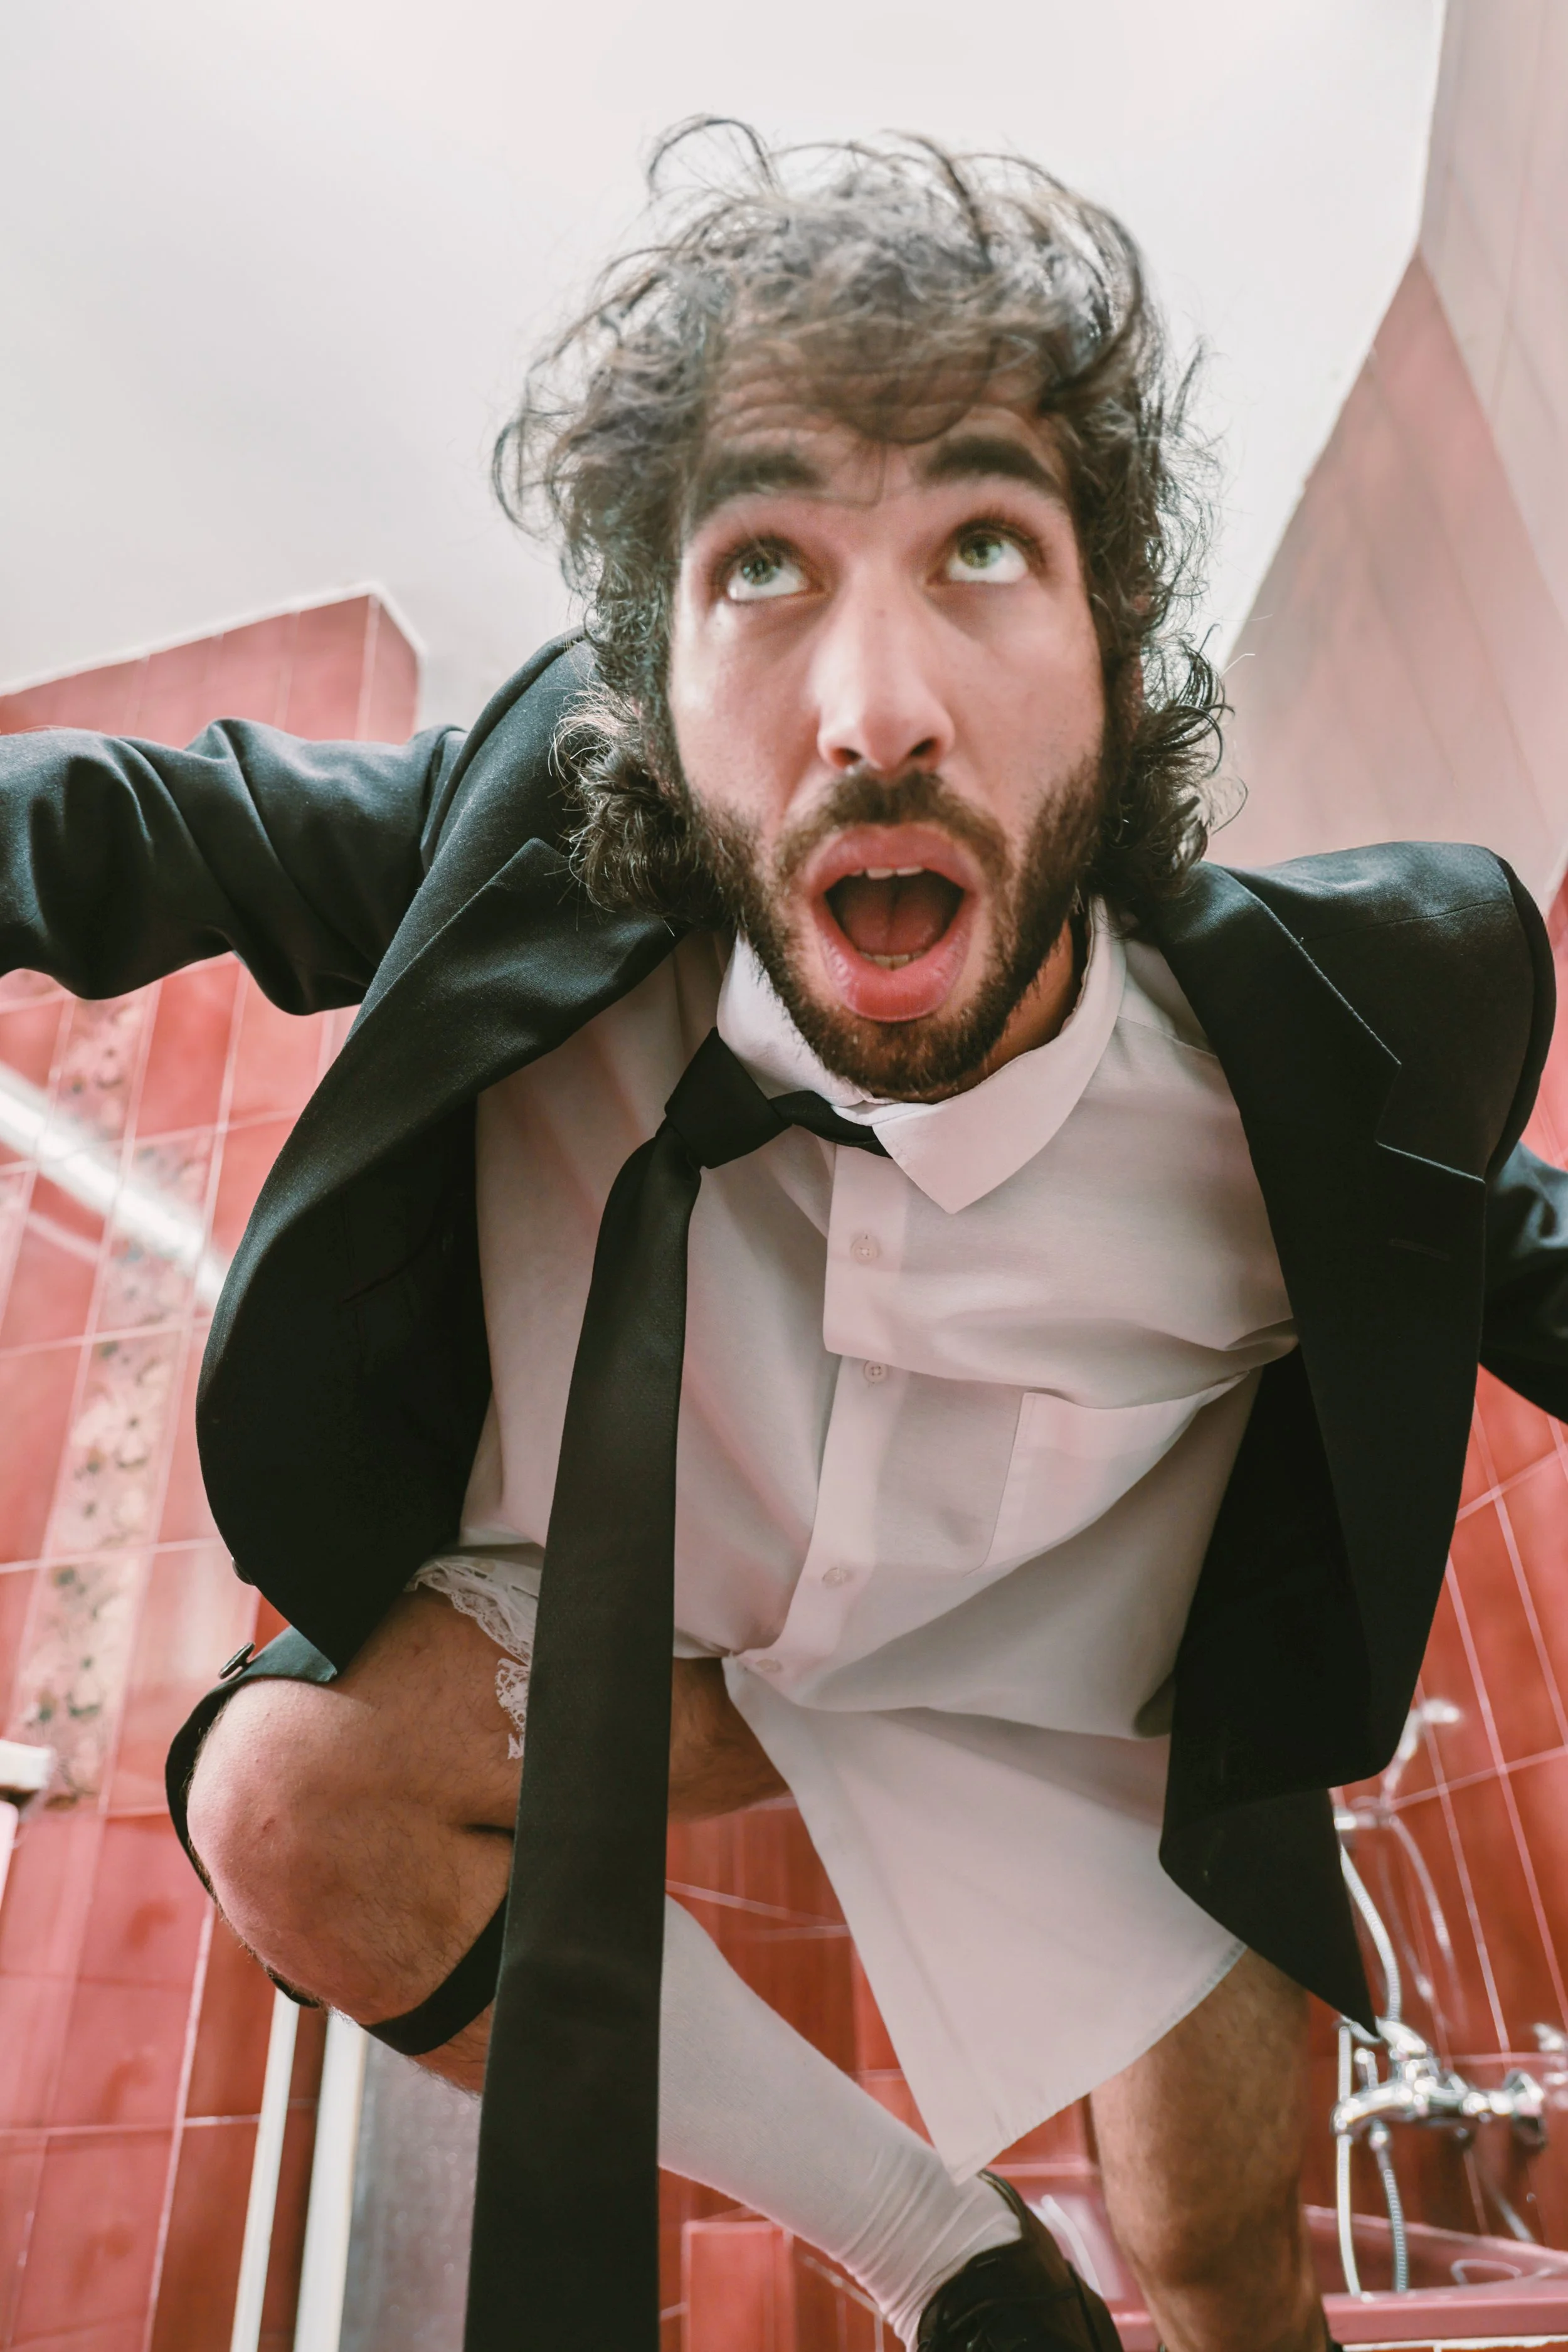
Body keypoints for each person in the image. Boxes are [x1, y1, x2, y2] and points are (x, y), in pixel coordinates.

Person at [5, 125, 1565, 2352]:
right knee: (287, 1797)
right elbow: (131, 824)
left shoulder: (1287, 1064)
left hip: (1098, 1700)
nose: (876, 709)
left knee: (1226, 2268)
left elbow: (1532, 1254)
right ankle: (945, 2263)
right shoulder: (522, 870)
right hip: (708, 1656)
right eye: (760, 565)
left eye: (984, 545)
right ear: (651, 677)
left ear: (1115, 652)